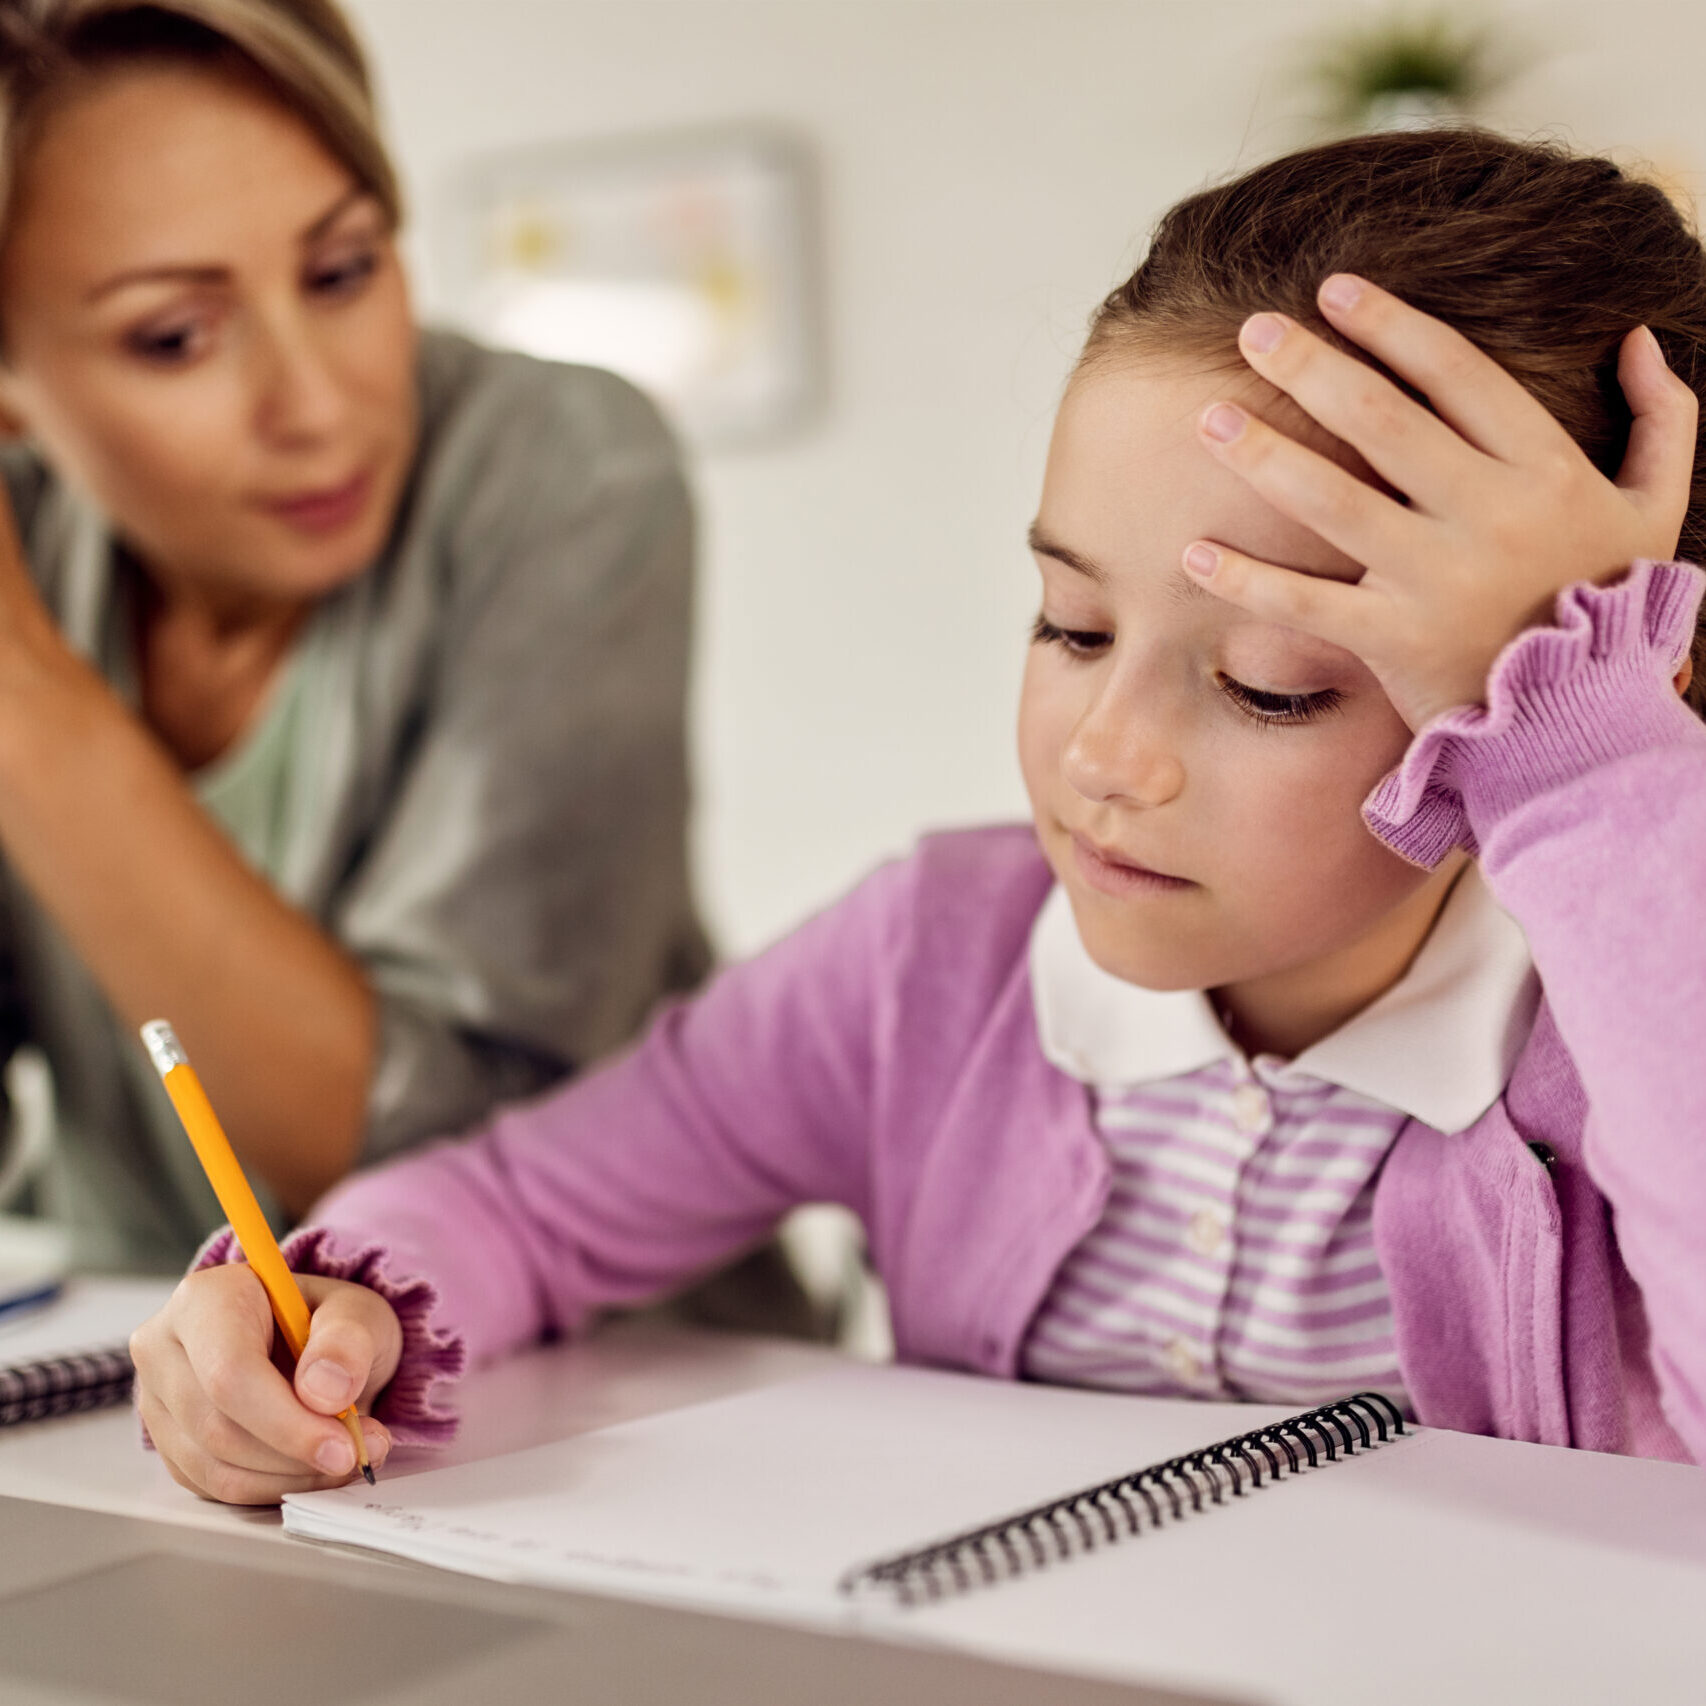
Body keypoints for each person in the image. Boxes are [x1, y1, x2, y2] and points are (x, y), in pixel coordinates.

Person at [133, 128, 1706, 1503]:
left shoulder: (1615, 1009)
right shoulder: (932, 964)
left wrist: (1581, 758)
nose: (1107, 754)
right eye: (1070, 627)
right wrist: (330, 1318)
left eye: (1273, 686)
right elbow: (524, 1203)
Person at [0, 0, 707, 1271]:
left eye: (340, 271)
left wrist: (24, 694)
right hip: (121, 1397)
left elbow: (443, 1152)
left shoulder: (566, 469)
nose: (318, 403)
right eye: (175, 336)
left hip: (599, 1396)